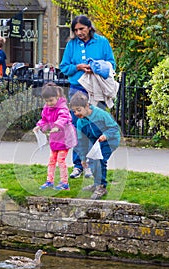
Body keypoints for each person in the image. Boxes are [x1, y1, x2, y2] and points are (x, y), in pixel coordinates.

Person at [60, 15, 116, 179]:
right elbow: (64, 67)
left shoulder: (102, 42)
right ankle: (78, 166)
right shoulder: (71, 45)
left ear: (89, 27)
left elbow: (111, 64)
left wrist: (97, 68)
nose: (79, 32)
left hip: (97, 90)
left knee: (95, 127)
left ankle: (94, 164)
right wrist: (77, 66)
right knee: (78, 128)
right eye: (76, 30)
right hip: (78, 90)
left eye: (81, 29)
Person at [70, 91, 120, 200]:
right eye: (74, 111)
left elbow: (114, 127)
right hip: (96, 142)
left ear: (87, 106)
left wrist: (106, 135)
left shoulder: (100, 114)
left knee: (99, 160)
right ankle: (96, 184)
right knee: (91, 160)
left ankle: (101, 187)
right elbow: (81, 142)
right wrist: (82, 159)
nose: (77, 113)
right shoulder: (80, 122)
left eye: (79, 110)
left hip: (110, 140)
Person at [33, 82, 77, 191]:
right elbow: (44, 120)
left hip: (64, 139)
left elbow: (64, 117)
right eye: (47, 101)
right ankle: (49, 181)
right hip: (54, 139)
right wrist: (39, 126)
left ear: (57, 97)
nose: (49, 103)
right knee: (52, 160)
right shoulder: (47, 108)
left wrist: (57, 126)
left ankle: (64, 183)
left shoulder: (63, 108)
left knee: (61, 160)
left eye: (51, 100)